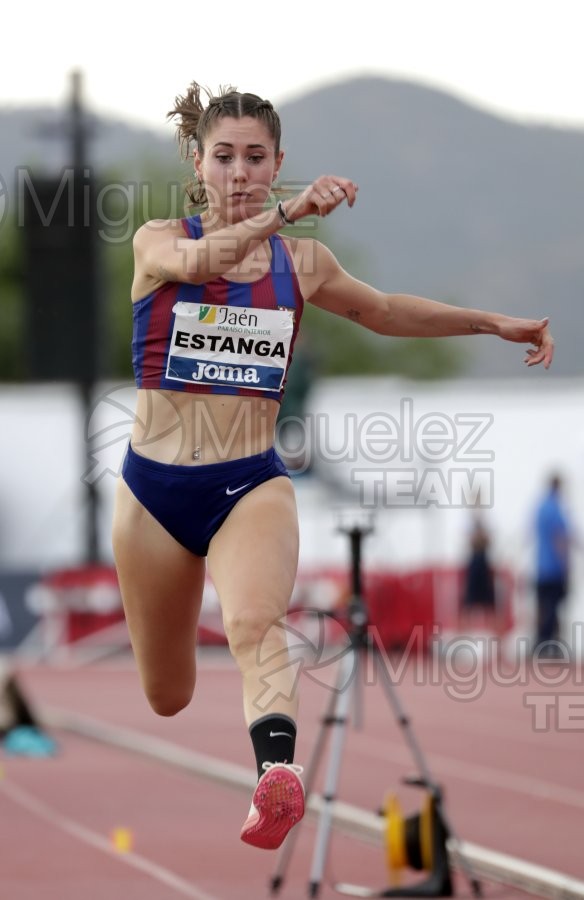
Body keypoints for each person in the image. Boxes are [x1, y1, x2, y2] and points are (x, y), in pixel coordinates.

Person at [111, 81, 555, 851]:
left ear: (278, 160)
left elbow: (384, 312)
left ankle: (276, 776)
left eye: (257, 158)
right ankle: (250, 750)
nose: (241, 173)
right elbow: (199, 259)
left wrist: (491, 323)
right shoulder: (158, 240)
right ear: (199, 163)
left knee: (256, 625)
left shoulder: (303, 265)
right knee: (167, 696)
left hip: (247, 482)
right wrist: (283, 213)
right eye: (225, 158)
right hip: (152, 494)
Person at [533, 473, 571, 654]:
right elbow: (560, 538)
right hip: (554, 568)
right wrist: (565, 564)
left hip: (541, 567)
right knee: (554, 608)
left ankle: (541, 645)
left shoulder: (540, 507)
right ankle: (550, 646)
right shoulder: (556, 508)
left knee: (543, 607)